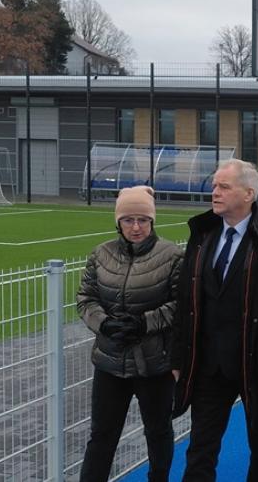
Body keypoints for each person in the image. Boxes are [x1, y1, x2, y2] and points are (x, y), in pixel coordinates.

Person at [170, 159, 258, 481]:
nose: (214, 193)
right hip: (207, 365)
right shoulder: (202, 235)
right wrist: (179, 355)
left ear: (248, 194)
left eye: (223, 187)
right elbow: (185, 301)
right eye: (214, 186)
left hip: (257, 365)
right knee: (200, 447)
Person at [77, 185, 183, 482]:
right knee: (101, 436)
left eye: (143, 220)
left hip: (154, 364)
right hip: (110, 361)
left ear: (152, 221)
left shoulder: (173, 256)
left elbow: (182, 306)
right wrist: (104, 323)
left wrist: (144, 323)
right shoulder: (101, 254)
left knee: (158, 431)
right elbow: (86, 298)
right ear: (118, 222)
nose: (136, 227)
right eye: (128, 220)